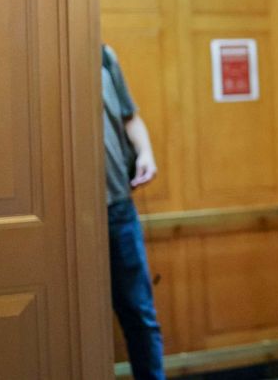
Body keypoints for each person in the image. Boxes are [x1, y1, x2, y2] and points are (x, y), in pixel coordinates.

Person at [102, 44, 165, 380]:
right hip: (68, 222)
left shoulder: (103, 56)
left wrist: (146, 154)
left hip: (118, 210)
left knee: (140, 315)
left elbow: (130, 117)